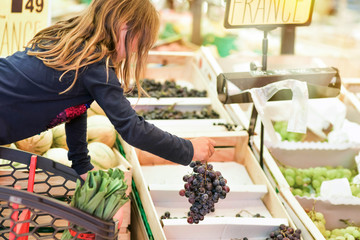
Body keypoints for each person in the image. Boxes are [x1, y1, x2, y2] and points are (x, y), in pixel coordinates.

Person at [0, 0, 216, 179]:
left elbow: (74, 104)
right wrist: (189, 149)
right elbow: (132, 129)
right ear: (124, 26)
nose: (135, 50)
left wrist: (81, 163)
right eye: (139, 42)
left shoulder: (74, 43)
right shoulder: (96, 65)